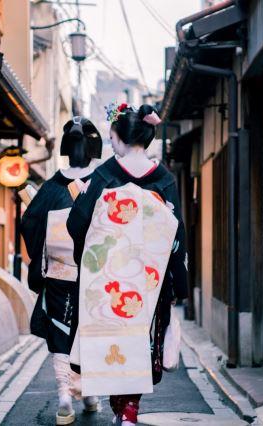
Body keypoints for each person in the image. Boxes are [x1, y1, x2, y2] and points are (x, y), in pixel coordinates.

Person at [66, 104, 188, 426]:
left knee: (109, 344)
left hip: (107, 281)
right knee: (139, 343)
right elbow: (177, 236)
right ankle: (129, 409)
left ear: (118, 137)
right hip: (148, 282)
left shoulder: (105, 174)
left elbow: (77, 223)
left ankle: (124, 409)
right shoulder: (163, 179)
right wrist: (178, 283)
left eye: (111, 136)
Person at [21, 117, 103, 425]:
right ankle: (91, 393)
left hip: (58, 274)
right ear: (94, 147)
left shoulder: (52, 186)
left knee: (59, 332)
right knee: (89, 331)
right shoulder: (103, 181)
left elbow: (29, 223)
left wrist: (44, 247)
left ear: (66, 149)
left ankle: (64, 396)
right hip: (94, 274)